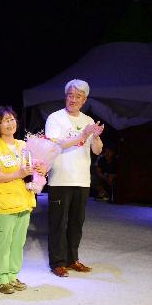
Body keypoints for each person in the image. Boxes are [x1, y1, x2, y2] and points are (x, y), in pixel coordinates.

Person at [44, 79, 104, 277]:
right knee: (58, 222)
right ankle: (57, 262)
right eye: (71, 95)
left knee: (77, 221)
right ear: (65, 96)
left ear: (84, 99)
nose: (74, 99)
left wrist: (94, 137)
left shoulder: (88, 120)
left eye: (78, 96)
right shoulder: (55, 118)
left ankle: (73, 259)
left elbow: (97, 150)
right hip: (60, 178)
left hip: (81, 179)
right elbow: (55, 144)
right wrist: (82, 136)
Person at [0, 106, 45, 294]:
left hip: (24, 200)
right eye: (5, 120)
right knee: (4, 241)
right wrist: (18, 173)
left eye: (12, 119)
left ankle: (11, 275)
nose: (10, 123)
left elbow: (33, 169)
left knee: (18, 242)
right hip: (5, 203)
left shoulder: (24, 145)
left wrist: (40, 170)